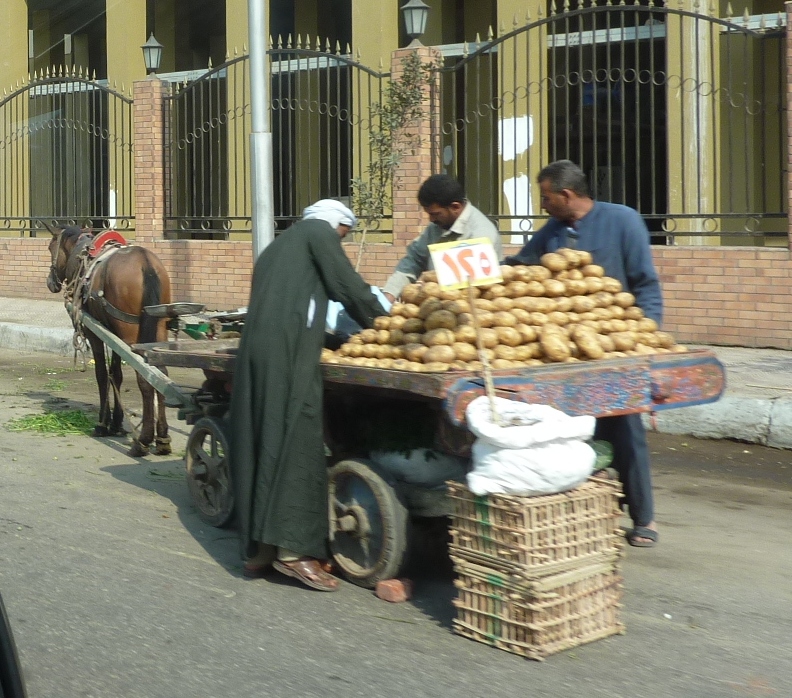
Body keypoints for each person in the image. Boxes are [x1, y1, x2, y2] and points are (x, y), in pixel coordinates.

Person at [229, 199, 387, 591]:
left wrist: (332, 337)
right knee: (297, 436)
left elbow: (297, 306)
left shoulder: (279, 246)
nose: (341, 242)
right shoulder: (319, 233)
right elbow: (347, 287)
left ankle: (259, 552)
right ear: (337, 225)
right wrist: (386, 325)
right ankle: (293, 553)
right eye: (344, 236)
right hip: (288, 353)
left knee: (265, 439)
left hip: (259, 349)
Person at [505, 160, 662, 548]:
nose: (543, 205)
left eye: (546, 197)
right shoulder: (553, 231)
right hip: (567, 353)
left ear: (566, 195)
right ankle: (587, 514)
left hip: (614, 346)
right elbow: (521, 264)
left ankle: (644, 518)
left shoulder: (622, 221)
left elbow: (645, 284)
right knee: (573, 435)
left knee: (626, 430)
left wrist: (644, 340)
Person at [381, 174, 502, 303]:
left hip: (469, 309)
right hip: (438, 307)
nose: (431, 219)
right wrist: (388, 296)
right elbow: (414, 260)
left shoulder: (481, 234)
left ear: (455, 207)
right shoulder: (437, 226)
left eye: (435, 214)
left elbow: (469, 290)